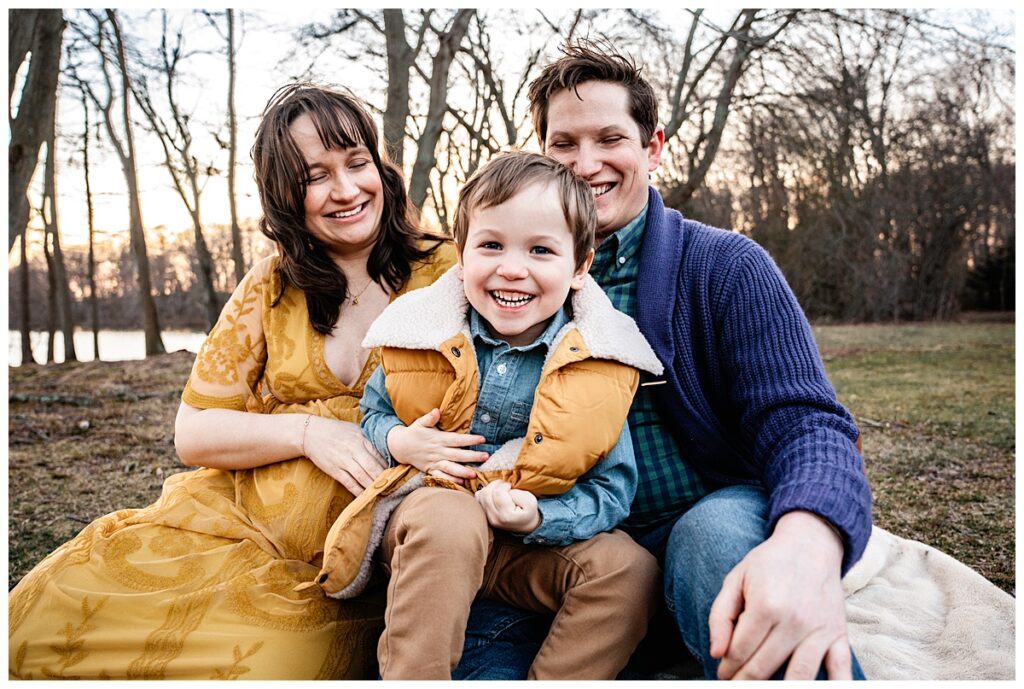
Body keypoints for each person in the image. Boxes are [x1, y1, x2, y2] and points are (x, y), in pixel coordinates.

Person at [454, 42, 873, 681]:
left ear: (652, 147)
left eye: (610, 139)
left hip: (702, 524)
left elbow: (806, 423)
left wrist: (806, 543)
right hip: (558, 548)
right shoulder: (497, 277)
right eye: (563, 144)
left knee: (710, 541)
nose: (586, 163)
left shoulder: (727, 267)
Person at [8, 83, 456, 679]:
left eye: (356, 163)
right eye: (315, 176)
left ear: (381, 166)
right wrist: (306, 433)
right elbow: (193, 433)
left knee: (264, 659)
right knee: (47, 604)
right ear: (284, 196)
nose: (346, 190)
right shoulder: (269, 287)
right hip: (234, 523)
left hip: (354, 554)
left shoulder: (450, 270)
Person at [313, 151, 663, 679]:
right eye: (491, 245)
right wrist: (401, 442)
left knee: (630, 572)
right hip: (431, 530)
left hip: (525, 545)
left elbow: (612, 490)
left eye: (541, 250)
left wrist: (540, 517)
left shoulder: (601, 363)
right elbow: (373, 413)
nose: (512, 268)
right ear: (462, 253)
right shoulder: (421, 335)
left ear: (579, 266)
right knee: (450, 522)